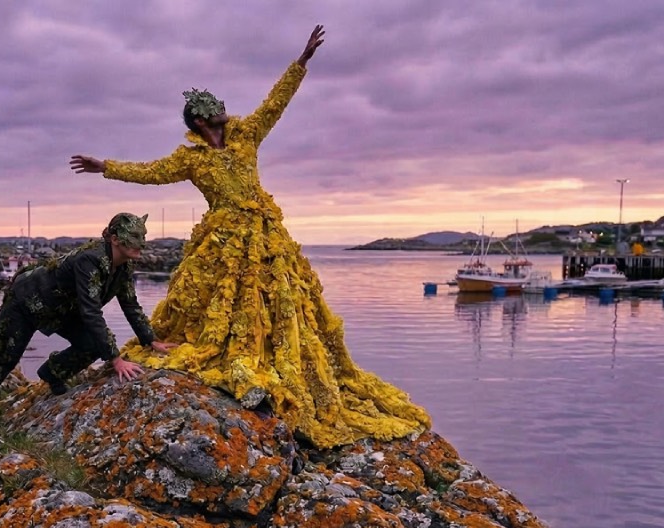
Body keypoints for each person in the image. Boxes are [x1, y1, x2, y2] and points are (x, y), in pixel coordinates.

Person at [70, 26, 431, 449]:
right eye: (215, 106)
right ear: (200, 120)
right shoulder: (190, 159)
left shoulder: (246, 134)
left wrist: (301, 62)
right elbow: (150, 172)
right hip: (223, 239)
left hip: (264, 236)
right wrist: (106, 166)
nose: (224, 108)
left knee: (279, 299)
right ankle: (232, 356)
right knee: (220, 301)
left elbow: (275, 103)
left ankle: (278, 363)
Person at [0, 213, 176, 437]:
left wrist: (150, 340)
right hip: (26, 302)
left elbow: (130, 304)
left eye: (143, 236)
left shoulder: (124, 266)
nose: (142, 243)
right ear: (115, 239)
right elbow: (91, 311)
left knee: (93, 344)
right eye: (135, 237)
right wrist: (116, 360)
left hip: (62, 309)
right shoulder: (89, 260)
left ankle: (52, 373)